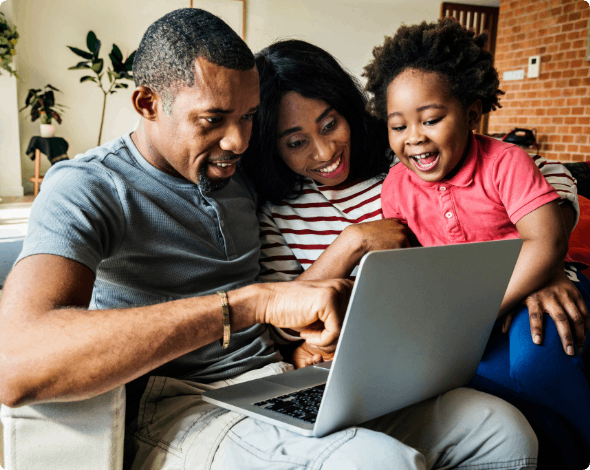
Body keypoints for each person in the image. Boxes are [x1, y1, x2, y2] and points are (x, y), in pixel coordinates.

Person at [0, 9, 539, 470]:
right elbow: (17, 363)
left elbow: (473, 169)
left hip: (279, 381)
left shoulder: (239, 172)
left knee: (500, 430)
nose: (235, 141)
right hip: (180, 404)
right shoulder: (89, 186)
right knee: (377, 464)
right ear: (146, 103)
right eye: (212, 120)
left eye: (250, 117)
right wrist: (251, 303)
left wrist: (546, 247)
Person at [240, 38, 589, 468]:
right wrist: (354, 242)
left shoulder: (402, 153)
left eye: (330, 125)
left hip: (451, 325)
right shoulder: (277, 208)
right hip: (377, 359)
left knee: (530, 375)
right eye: (296, 142)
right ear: (272, 146)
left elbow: (545, 174)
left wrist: (543, 264)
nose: (325, 152)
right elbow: (282, 316)